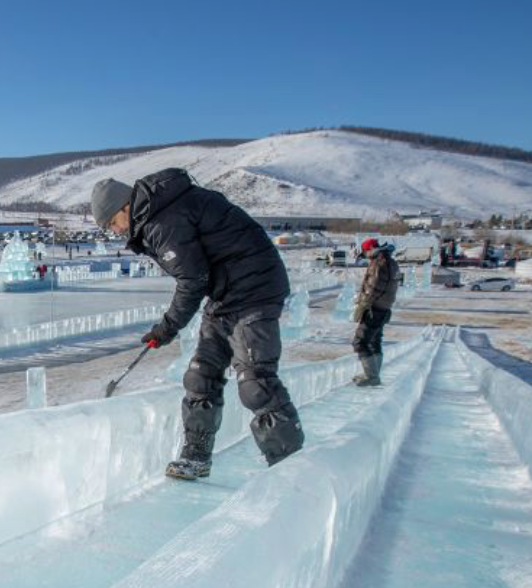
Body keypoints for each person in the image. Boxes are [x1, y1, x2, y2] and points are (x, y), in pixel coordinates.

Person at [92, 169, 304, 479]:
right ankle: (196, 455)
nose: (116, 230)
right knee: (200, 376)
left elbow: (192, 279)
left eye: (113, 222)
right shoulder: (157, 212)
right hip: (226, 293)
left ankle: (290, 468)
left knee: (255, 381)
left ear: (124, 207)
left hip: (254, 289)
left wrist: (167, 327)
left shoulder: (161, 220)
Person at [351, 238, 401, 387]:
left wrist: (362, 306)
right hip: (385, 307)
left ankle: (371, 376)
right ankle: (373, 374)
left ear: (370, 249)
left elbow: (374, 287)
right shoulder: (391, 261)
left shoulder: (378, 263)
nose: (365, 255)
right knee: (374, 341)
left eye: (365, 251)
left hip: (374, 309)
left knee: (359, 342)